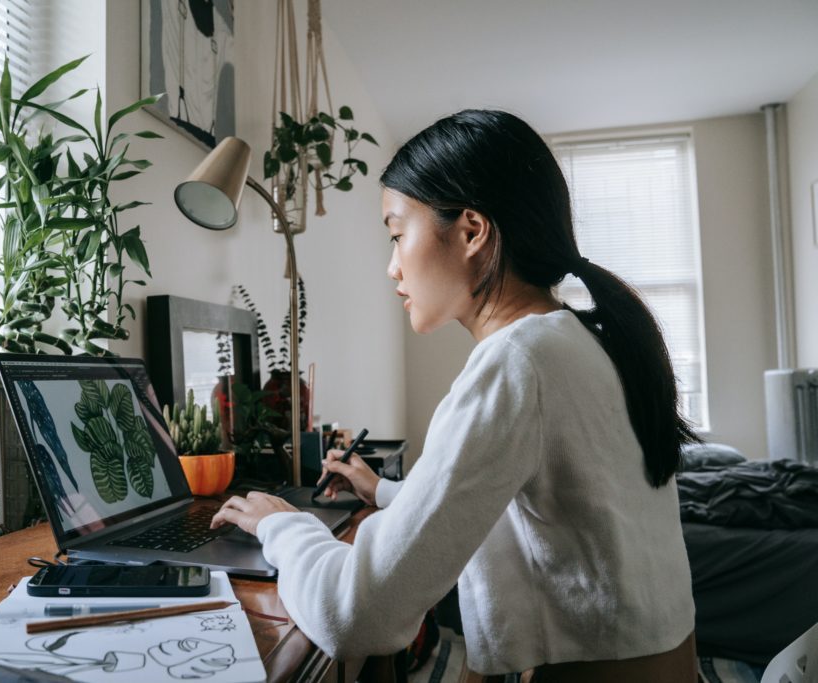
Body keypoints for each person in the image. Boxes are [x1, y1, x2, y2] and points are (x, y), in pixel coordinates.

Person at [210, 109, 699, 681]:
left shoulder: (518, 362)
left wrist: (280, 524)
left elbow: (353, 617)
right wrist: (388, 491)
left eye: (396, 234)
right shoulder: (574, 340)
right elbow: (509, 496)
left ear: (471, 231)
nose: (392, 267)